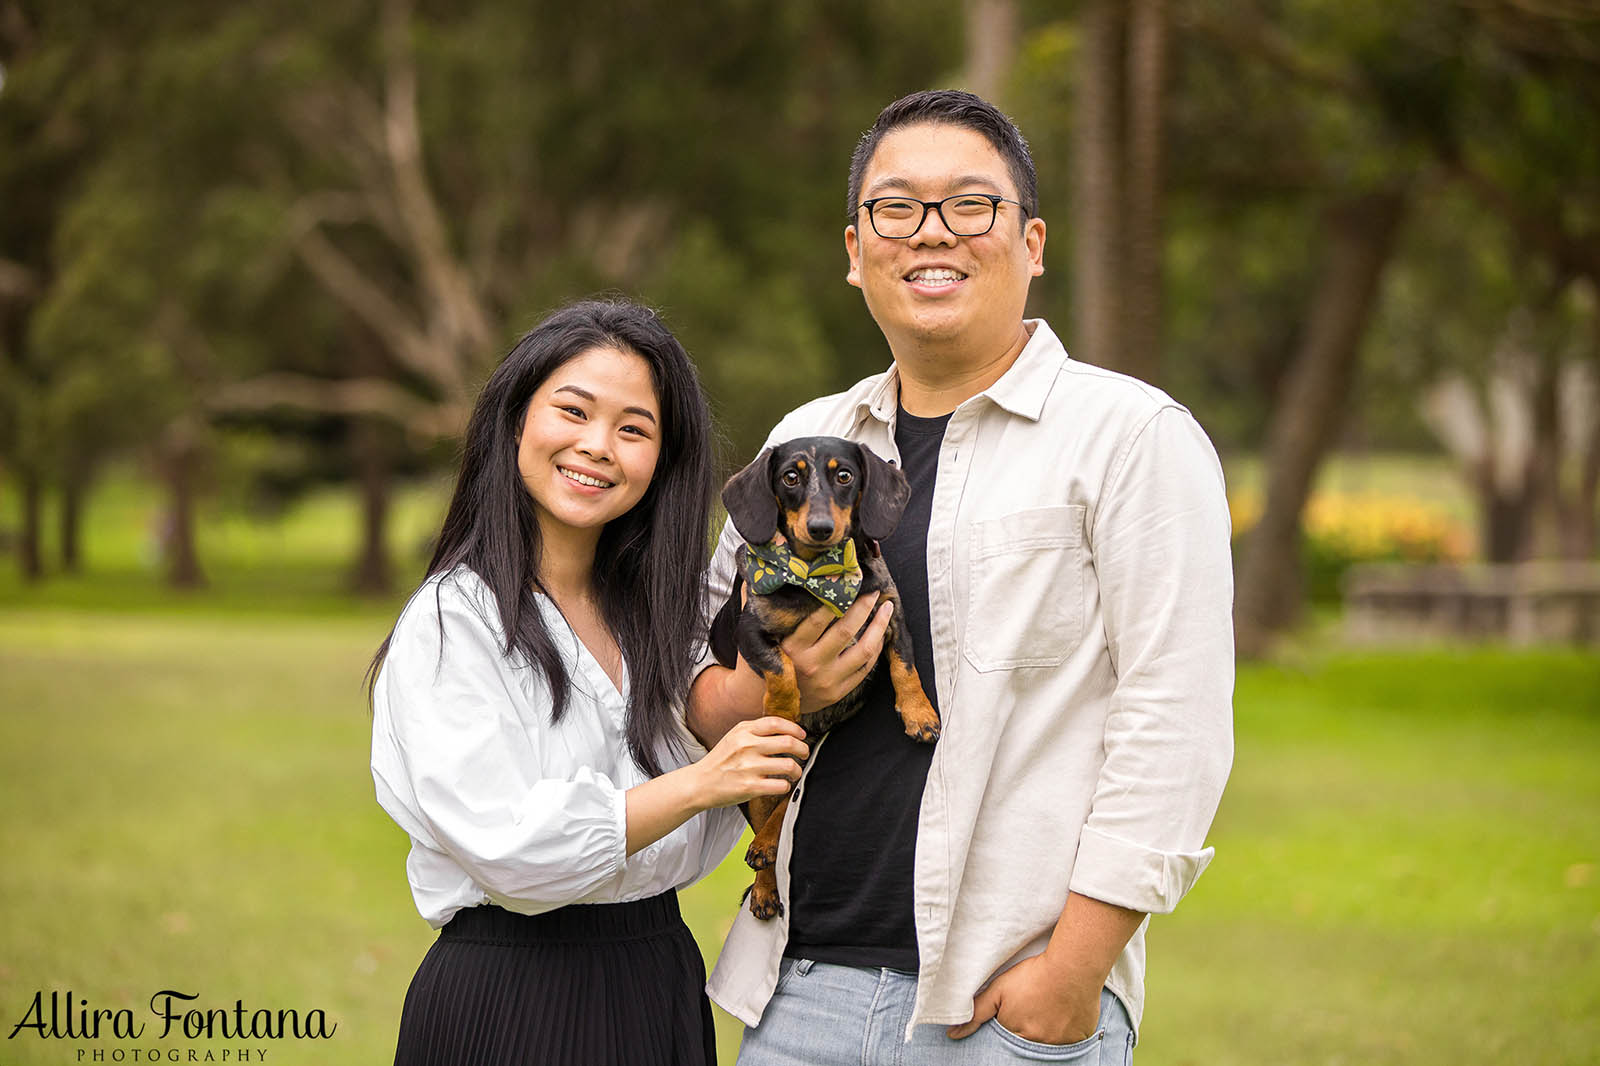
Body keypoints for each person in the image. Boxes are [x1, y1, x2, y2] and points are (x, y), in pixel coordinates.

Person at [685, 91, 1235, 1064]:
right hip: (796, 992)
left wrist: (1071, 975)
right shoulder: (802, 445)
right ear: (854, 251)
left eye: (969, 205)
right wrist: (779, 690)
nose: (930, 232)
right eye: (896, 208)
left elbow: (1174, 719)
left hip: (1001, 1006)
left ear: (1030, 242)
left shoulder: (1131, 438)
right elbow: (703, 675)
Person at [368, 298, 810, 1066]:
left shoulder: (660, 621)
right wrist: (705, 781)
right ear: (515, 422)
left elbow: (720, 810)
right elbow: (511, 848)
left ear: (663, 462)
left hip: (659, 977)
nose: (597, 446)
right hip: (512, 995)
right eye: (572, 411)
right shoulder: (454, 619)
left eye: (633, 429)